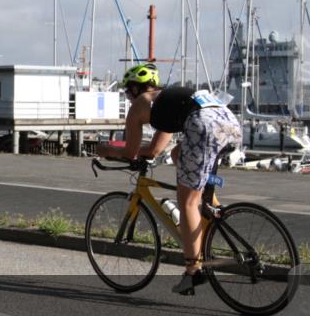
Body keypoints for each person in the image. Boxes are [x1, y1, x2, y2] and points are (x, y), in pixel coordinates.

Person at [95, 62, 242, 295]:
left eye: (128, 93)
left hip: (203, 125)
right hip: (229, 122)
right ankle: (213, 213)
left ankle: (193, 272)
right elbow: (154, 150)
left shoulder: (141, 104)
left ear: (135, 89)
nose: (129, 98)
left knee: (187, 202)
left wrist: (107, 149)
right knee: (177, 154)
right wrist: (136, 152)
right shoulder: (169, 100)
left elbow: (130, 152)